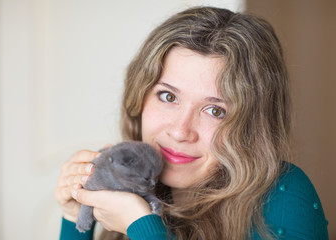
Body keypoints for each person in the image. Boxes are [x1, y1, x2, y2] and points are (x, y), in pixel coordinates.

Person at [55, 6, 329, 240]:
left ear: (251, 126)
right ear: (140, 95)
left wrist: (141, 225)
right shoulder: (129, 185)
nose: (179, 131)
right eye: (168, 96)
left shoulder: (285, 197)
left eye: (215, 111)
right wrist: (76, 215)